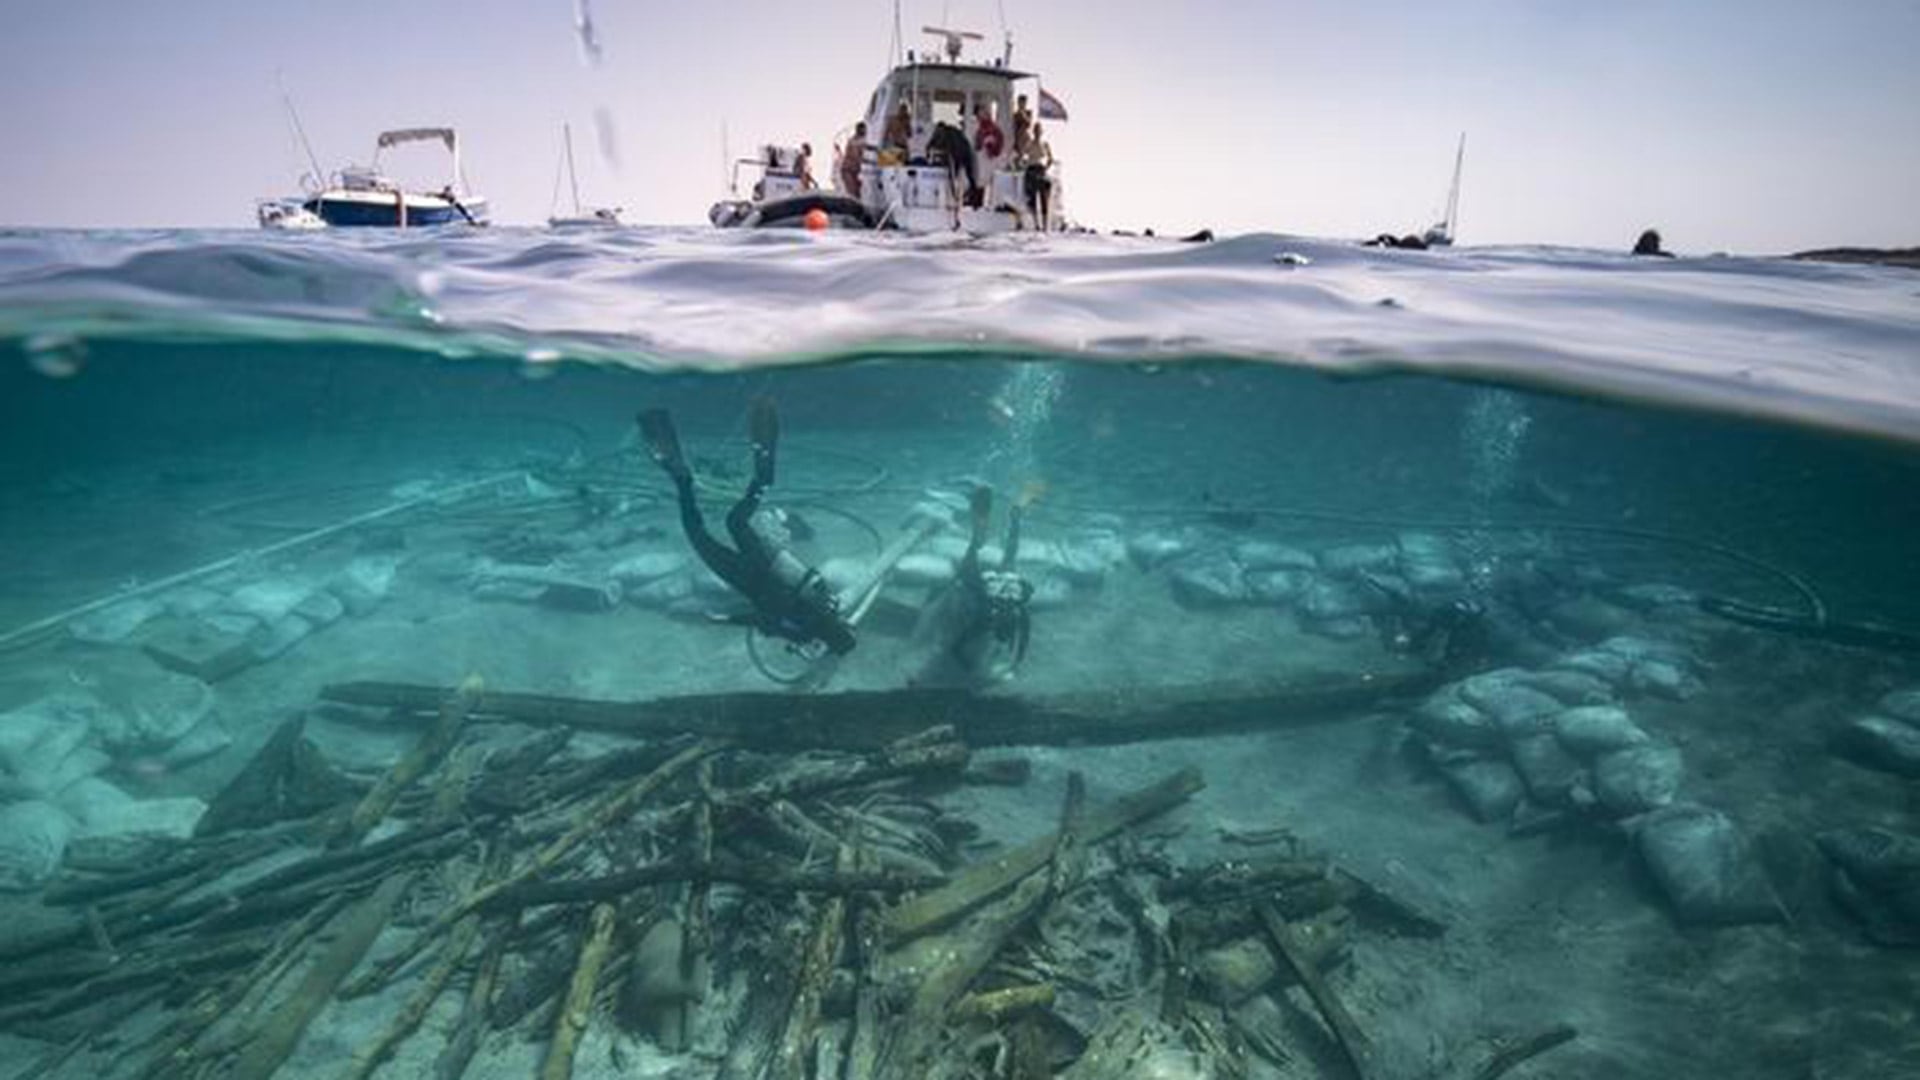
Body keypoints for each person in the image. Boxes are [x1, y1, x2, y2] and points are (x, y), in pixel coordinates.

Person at [636, 398, 856, 656]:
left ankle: (762, 478)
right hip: (748, 579)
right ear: (827, 641)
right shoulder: (802, 631)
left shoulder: (829, 605)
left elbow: (809, 582)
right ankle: (681, 479)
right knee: (697, 534)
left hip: (766, 562)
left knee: (735, 521)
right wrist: (723, 620)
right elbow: (761, 619)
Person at [926, 120, 982, 208]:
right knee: (969, 177)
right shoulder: (951, 132)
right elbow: (931, 144)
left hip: (960, 152)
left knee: (955, 176)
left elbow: (932, 145)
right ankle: (968, 199)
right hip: (964, 151)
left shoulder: (946, 134)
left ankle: (958, 198)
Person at [1023, 122, 1054, 227]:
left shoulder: (1045, 144)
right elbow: (1023, 156)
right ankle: (1036, 223)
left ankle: (1045, 224)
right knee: (1032, 198)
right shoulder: (1029, 143)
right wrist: (1024, 163)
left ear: (1041, 132)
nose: (1037, 132)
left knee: (1044, 198)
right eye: (1035, 130)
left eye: (1039, 130)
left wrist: (1046, 167)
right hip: (1031, 169)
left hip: (1041, 170)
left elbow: (1050, 159)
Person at [839, 122, 867, 198]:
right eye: (864, 130)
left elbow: (869, 148)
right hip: (848, 171)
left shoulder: (862, 140)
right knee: (853, 194)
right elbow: (856, 157)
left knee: (859, 193)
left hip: (856, 171)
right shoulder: (853, 141)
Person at [1011, 94, 1034, 164]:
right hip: (1017, 135)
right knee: (1017, 152)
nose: (1021, 104)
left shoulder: (1028, 112)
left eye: (1023, 102)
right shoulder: (1015, 114)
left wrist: (1022, 113)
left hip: (1024, 135)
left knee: (1024, 150)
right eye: (1020, 102)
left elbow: (1028, 123)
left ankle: (1022, 160)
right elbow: (1013, 124)